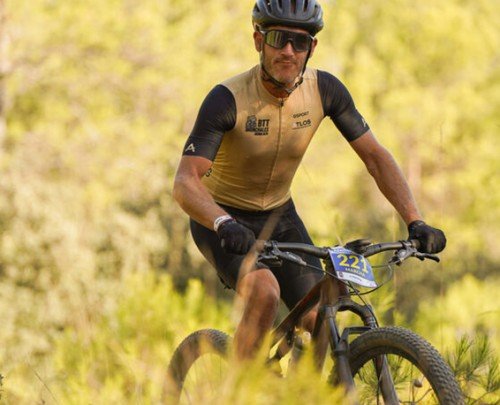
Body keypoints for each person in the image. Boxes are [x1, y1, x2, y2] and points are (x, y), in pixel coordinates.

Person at [173, 0, 446, 360]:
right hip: (222, 219)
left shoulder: (324, 90)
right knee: (264, 292)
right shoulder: (227, 99)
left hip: (279, 215)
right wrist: (222, 222)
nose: (288, 51)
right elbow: (185, 181)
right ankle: (238, 386)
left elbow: (376, 158)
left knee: (320, 318)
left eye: (299, 42)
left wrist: (415, 220)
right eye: (278, 39)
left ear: (311, 48)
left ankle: (305, 387)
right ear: (258, 41)